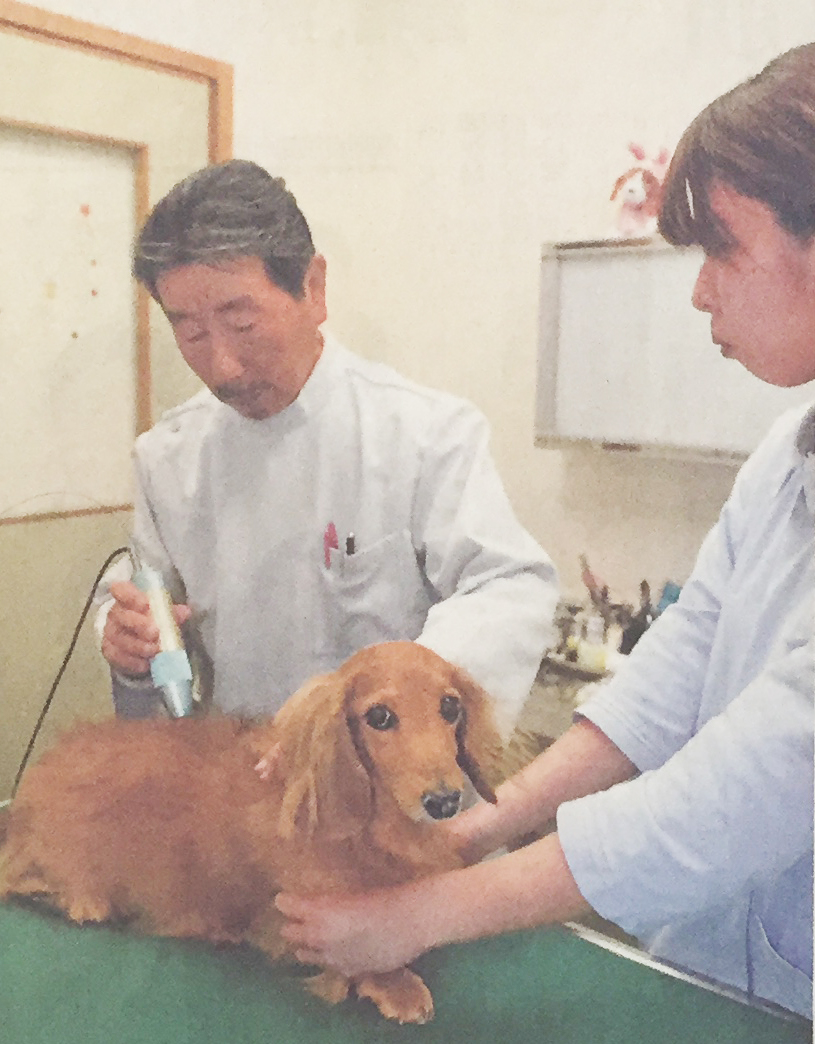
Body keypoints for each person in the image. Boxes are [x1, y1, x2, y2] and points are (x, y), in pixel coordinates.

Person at [274, 45, 815, 1019]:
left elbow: (755, 787)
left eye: (723, 249)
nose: (699, 293)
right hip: (708, 967)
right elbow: (672, 680)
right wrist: (484, 819)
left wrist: (426, 912)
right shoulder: (785, 459)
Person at [96, 159, 558, 736]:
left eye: (241, 325)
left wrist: (401, 705)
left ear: (312, 287)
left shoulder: (425, 433)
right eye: (190, 333)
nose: (222, 366)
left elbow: (509, 586)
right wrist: (132, 644)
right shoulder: (167, 459)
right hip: (245, 777)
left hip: (387, 782)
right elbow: (159, 630)